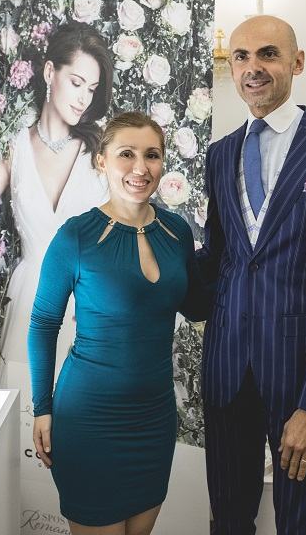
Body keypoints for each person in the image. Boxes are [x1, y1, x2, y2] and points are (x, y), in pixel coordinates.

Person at [197, 15, 306, 534]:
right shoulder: (219, 155)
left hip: (299, 378)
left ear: (297, 62)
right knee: (228, 522)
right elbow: (220, 259)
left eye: (268, 54)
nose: (253, 67)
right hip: (227, 370)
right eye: (241, 57)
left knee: (299, 524)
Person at [28, 112, 210, 535]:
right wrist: (42, 409)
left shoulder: (177, 231)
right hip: (89, 420)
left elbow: (197, 306)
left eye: (152, 155)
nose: (140, 168)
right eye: (126, 154)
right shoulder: (76, 237)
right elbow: (43, 324)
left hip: (154, 419)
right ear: (102, 161)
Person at [0, 21, 112, 376]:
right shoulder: (15, 148)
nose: (84, 99)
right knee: (27, 398)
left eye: (91, 89)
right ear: (50, 72)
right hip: (31, 302)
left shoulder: (101, 150)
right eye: (77, 83)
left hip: (90, 306)